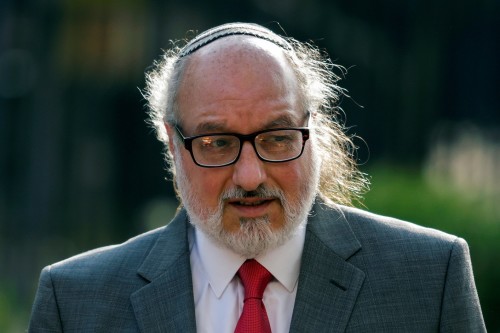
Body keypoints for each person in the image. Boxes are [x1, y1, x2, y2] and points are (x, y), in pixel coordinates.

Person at [29, 22, 486, 332]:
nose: (249, 176)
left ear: (311, 128)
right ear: (172, 143)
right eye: (217, 143)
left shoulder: (429, 278)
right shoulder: (76, 301)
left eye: (277, 137)